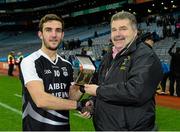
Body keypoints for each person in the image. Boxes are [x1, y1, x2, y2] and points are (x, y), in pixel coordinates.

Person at [81, 11, 163, 130]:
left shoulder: (146, 56)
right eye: (114, 30)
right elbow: (103, 85)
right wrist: (93, 102)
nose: (117, 34)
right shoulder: (108, 56)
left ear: (135, 32)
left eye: (123, 28)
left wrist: (98, 91)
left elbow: (136, 92)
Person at [20, 14, 85, 131]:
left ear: (62, 35)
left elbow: (70, 98)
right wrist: (79, 106)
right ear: (40, 34)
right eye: (48, 30)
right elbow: (41, 100)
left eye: (58, 30)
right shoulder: (30, 61)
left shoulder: (67, 65)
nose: (54, 35)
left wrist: (82, 87)